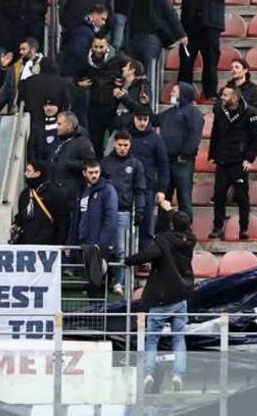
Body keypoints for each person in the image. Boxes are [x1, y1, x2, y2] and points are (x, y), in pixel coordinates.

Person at [126, 209, 195, 394]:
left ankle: (148, 374)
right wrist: (169, 210)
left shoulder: (164, 240)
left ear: (172, 225)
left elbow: (148, 255)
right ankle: (178, 375)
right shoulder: (190, 240)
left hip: (162, 299)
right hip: (181, 297)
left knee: (152, 339)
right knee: (179, 338)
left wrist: (128, 260)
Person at [172, 0, 234, 99]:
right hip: (189, 25)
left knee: (211, 62)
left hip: (211, 25)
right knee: (186, 62)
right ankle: (183, 95)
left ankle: (210, 94)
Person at [208, 84, 257, 239]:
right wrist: (212, 154)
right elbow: (215, 133)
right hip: (222, 161)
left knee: (242, 197)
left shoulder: (250, 112)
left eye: (225, 95)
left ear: (234, 98)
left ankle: (244, 228)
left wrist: (249, 159)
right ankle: (218, 228)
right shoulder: (219, 110)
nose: (222, 98)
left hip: (239, 162)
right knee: (219, 195)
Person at [101, 132, 146, 294]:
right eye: (120, 145)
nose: (122, 148)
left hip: (123, 211)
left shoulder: (135, 165)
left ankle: (118, 282)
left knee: (121, 250)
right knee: (104, 247)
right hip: (104, 212)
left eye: (125, 145)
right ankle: (102, 279)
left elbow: (140, 190)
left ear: (130, 145)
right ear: (114, 144)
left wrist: (140, 209)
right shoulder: (105, 163)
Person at [126, 0, 186, 73]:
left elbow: (170, 13)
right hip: (133, 39)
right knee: (131, 73)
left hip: (151, 38)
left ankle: (149, 90)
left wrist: (181, 34)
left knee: (150, 73)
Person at [47, 112, 96, 243]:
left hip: (70, 200)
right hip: (56, 197)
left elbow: (91, 164)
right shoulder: (60, 142)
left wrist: (71, 164)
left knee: (68, 236)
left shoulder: (82, 142)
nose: (56, 126)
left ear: (69, 125)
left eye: (59, 124)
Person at [69, 160, 118, 291]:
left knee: (99, 284)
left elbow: (111, 218)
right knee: (89, 284)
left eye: (96, 172)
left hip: (98, 246)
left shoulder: (107, 189)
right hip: (84, 244)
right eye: (91, 172)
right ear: (84, 173)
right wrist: (71, 242)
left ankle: (100, 310)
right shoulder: (82, 191)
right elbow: (77, 220)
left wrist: (102, 244)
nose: (94, 175)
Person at [158, 83, 203, 216]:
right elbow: (153, 119)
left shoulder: (193, 112)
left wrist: (184, 154)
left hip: (182, 162)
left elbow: (194, 136)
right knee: (164, 197)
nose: (171, 94)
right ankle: (162, 230)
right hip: (167, 161)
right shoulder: (169, 112)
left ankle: (186, 231)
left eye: (174, 91)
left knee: (184, 198)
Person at [128, 108, 170, 247]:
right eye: (139, 119)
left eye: (145, 120)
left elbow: (164, 165)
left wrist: (162, 189)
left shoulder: (155, 138)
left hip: (148, 187)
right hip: (127, 187)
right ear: (133, 118)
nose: (142, 123)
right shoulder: (126, 136)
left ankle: (145, 256)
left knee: (147, 223)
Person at [13, 161, 59, 245]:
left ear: (37, 173)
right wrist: (16, 224)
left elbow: (61, 219)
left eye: (28, 171)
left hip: (46, 244)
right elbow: (21, 214)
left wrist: (59, 242)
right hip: (26, 243)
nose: (25, 173)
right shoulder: (25, 194)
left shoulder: (52, 192)